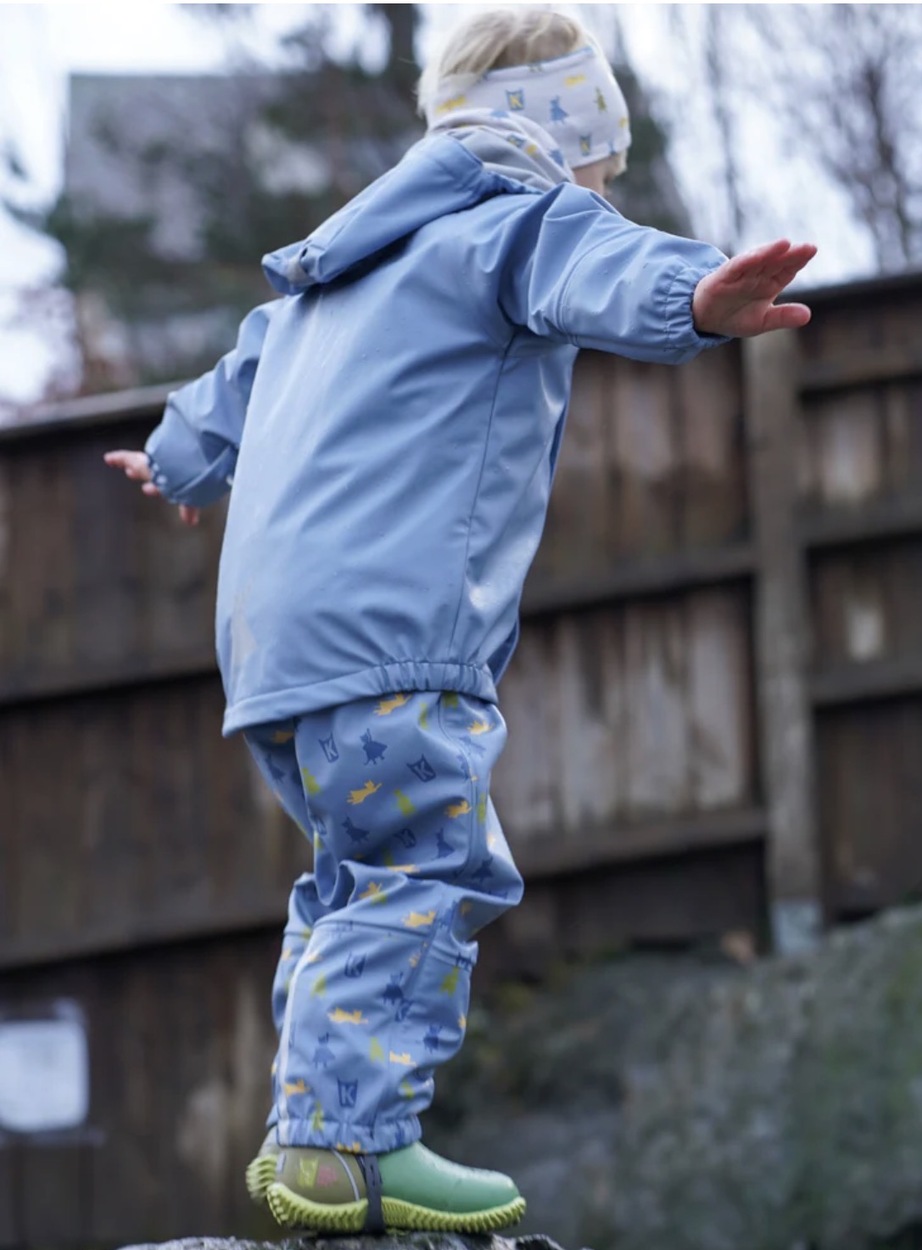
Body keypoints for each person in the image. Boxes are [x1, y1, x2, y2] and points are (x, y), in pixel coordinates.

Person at [105, 5, 816, 1236]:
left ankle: (311, 1129)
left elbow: (237, 377)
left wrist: (177, 457)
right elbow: (590, 259)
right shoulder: (511, 214)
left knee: (353, 876)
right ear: (563, 138)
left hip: (274, 652)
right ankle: (348, 1139)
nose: (604, 191)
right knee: (430, 863)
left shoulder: (341, 269)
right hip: (393, 636)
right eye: (605, 170)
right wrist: (692, 299)